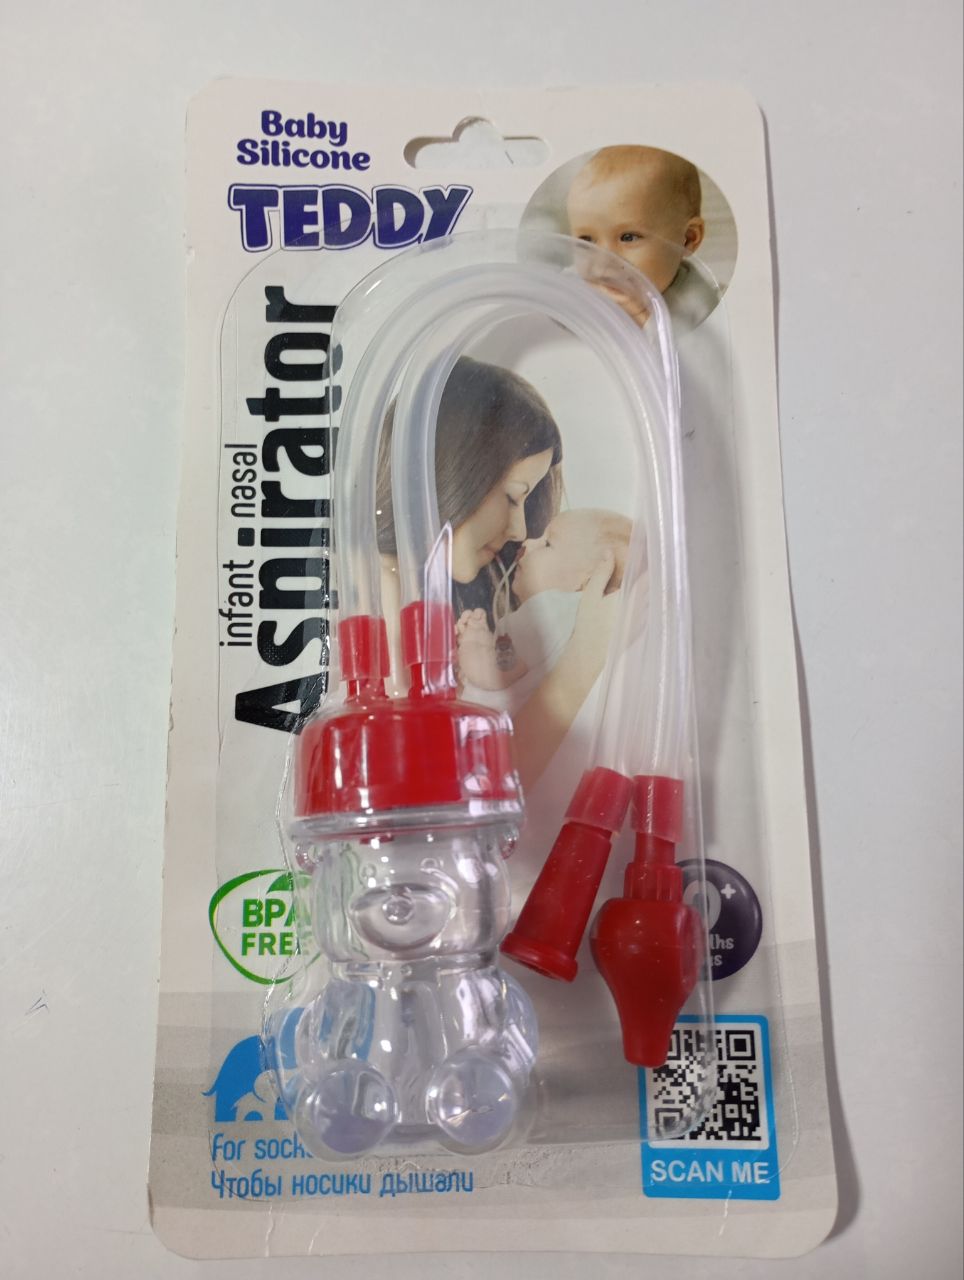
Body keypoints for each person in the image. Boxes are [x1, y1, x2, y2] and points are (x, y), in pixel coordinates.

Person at [375, 357, 618, 788]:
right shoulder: (380, 588)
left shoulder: (460, 601)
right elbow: (468, 783)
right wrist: (589, 651)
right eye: (512, 497)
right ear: (452, 473)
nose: (521, 531)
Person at [456, 509, 632, 707]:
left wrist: (471, 645)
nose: (528, 542)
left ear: (589, 581)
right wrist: (483, 640)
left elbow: (502, 671)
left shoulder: (550, 606)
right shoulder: (570, 626)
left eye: (547, 543)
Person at [566, 144, 719, 329]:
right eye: (586, 240)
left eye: (628, 237)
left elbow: (688, 346)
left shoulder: (697, 305)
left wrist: (643, 319)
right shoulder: (573, 284)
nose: (603, 262)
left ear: (687, 239)